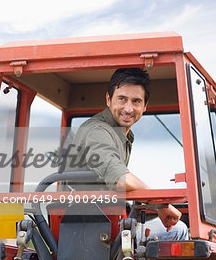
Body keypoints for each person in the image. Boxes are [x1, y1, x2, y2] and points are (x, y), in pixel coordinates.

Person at [64, 67, 188, 241]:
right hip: (94, 231)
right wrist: (161, 204)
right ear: (108, 99)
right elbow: (121, 179)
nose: (128, 108)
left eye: (136, 101)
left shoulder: (121, 134)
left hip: (103, 222)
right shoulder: (97, 131)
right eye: (122, 99)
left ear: (144, 106)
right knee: (179, 230)